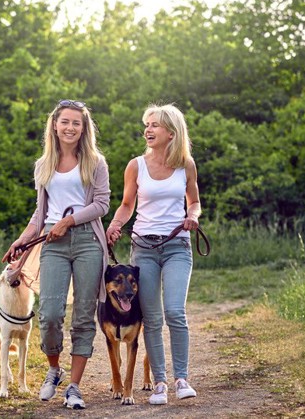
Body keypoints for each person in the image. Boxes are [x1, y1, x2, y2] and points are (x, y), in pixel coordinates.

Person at [2, 99, 110, 410]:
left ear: (83, 127)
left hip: (88, 240)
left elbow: (101, 205)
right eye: (65, 121)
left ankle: (74, 387)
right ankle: (54, 369)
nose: (71, 127)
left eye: (77, 123)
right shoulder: (43, 165)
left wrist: (69, 220)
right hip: (52, 241)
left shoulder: (96, 162)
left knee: (84, 316)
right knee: (49, 314)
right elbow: (39, 215)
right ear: (54, 124)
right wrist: (21, 242)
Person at [105, 103, 201, 405]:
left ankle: (181, 378)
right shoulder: (136, 165)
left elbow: (194, 201)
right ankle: (159, 382)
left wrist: (193, 216)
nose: (148, 129)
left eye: (154, 125)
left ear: (171, 132)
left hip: (177, 246)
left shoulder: (186, 164)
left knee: (174, 311)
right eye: (146, 124)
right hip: (143, 248)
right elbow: (126, 204)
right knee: (153, 317)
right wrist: (116, 223)